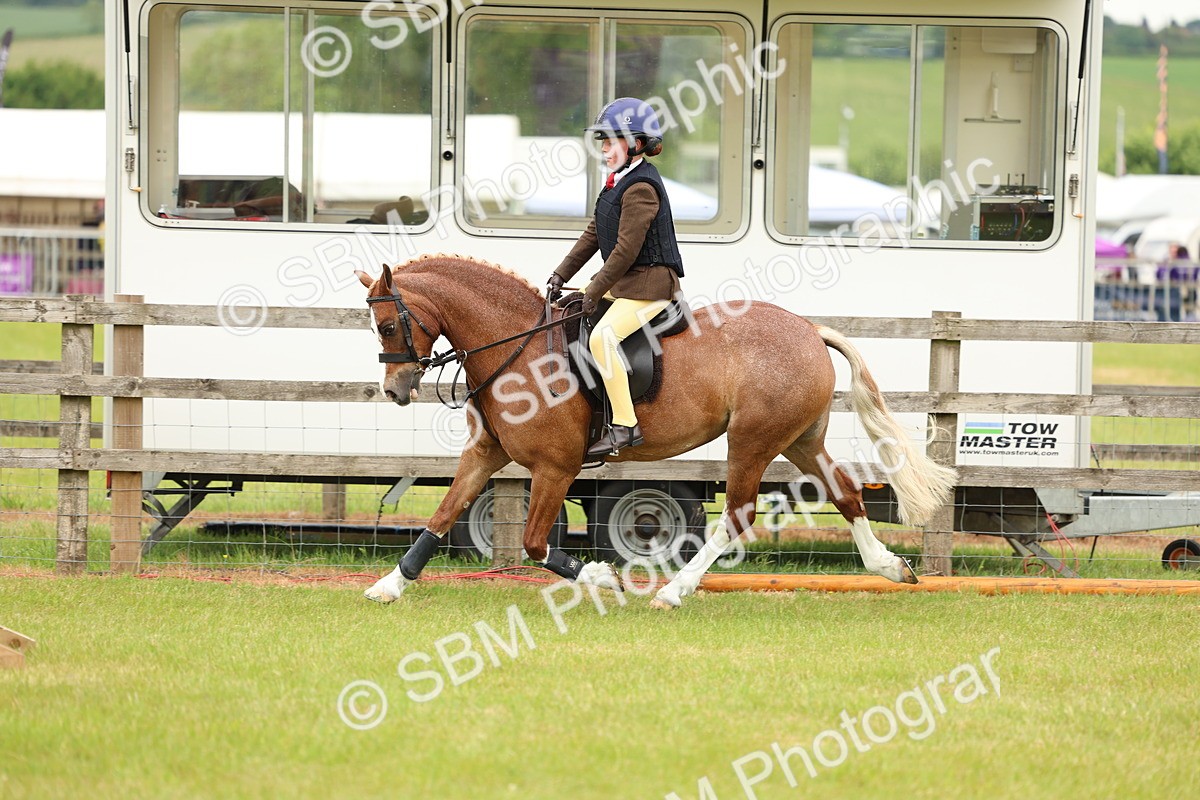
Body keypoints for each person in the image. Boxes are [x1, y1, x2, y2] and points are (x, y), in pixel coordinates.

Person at [547, 97, 684, 458]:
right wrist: (561, 274)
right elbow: (594, 233)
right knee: (573, 318)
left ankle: (625, 425)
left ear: (635, 144)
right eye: (603, 142)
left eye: (610, 142)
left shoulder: (641, 188)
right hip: (628, 284)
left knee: (604, 338)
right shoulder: (618, 182)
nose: (604, 149)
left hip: (651, 287)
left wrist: (594, 289)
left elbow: (624, 250)